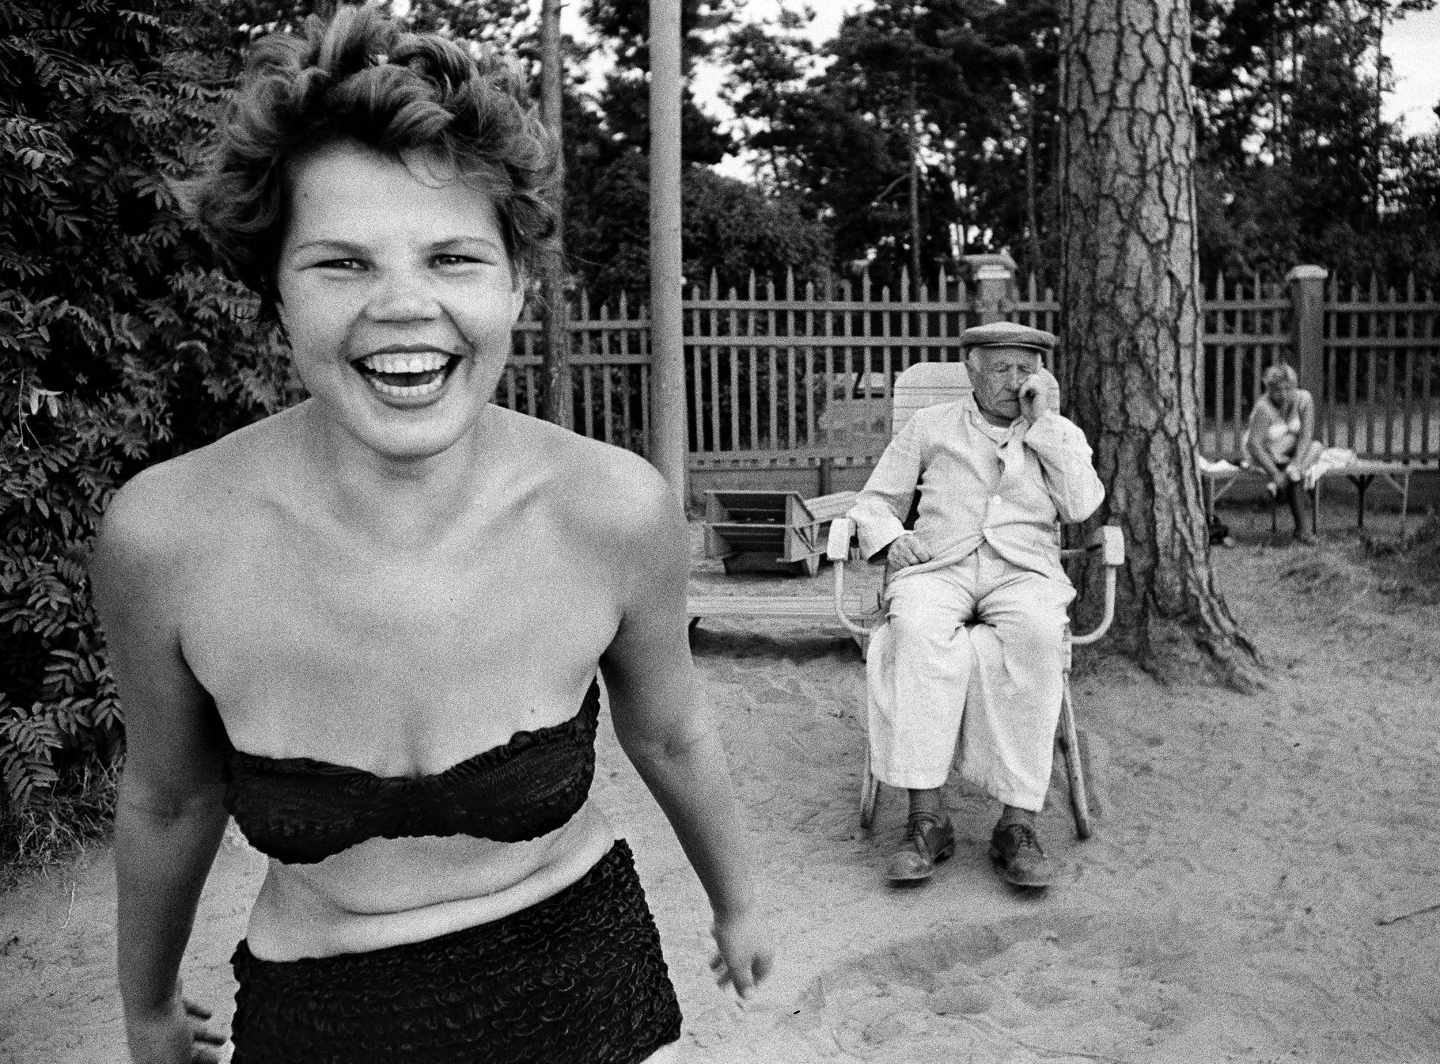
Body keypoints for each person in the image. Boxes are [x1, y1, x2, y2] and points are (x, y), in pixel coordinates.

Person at [89, 7, 771, 1062]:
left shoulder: (615, 509)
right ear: (275, 293)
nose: (405, 306)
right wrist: (144, 1007)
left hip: (585, 983)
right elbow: (171, 796)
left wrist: (738, 902)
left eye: (453, 257)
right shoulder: (167, 538)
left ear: (516, 284)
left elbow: (673, 731)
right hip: (323, 1013)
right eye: (342, 263)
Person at [846, 322, 1104, 890]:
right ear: (971, 370)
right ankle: (926, 820)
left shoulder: (1055, 432)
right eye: (1001, 370)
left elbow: (1083, 505)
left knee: (1036, 635)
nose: (1015, 382)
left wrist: (1046, 427)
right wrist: (891, 539)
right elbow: (874, 498)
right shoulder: (931, 425)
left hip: (1024, 571)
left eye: (1025, 370)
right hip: (940, 566)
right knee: (911, 629)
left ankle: (1016, 826)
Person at [1245, 362, 1322, 544]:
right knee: (1295, 470)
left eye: (1288, 389)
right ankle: (1303, 532)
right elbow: (1254, 445)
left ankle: (1289, 476)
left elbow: (1306, 434)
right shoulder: (1264, 408)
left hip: (1291, 453)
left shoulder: (1304, 399)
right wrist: (1274, 473)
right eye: (1278, 390)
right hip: (1265, 454)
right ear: (1269, 389)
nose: (1284, 394)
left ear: (1295, 386)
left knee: (1316, 447)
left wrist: (1295, 463)